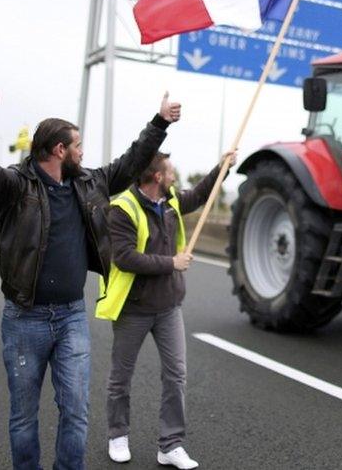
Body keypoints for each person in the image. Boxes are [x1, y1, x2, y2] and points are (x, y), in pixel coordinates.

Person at [0, 76, 180, 470]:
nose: (83, 151)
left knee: (76, 412)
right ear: (60, 150)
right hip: (25, 318)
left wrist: (159, 123)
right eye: (77, 145)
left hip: (72, 316)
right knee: (24, 416)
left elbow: (131, 162)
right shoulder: (15, 184)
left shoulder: (90, 182)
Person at [100, 151, 235, 469]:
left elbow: (202, 193)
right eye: (170, 172)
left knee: (176, 376)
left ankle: (171, 445)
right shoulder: (122, 209)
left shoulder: (172, 200)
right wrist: (171, 263)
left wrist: (223, 167)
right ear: (157, 177)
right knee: (121, 378)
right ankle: (118, 435)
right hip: (133, 308)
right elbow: (125, 257)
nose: (174, 176)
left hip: (168, 307)